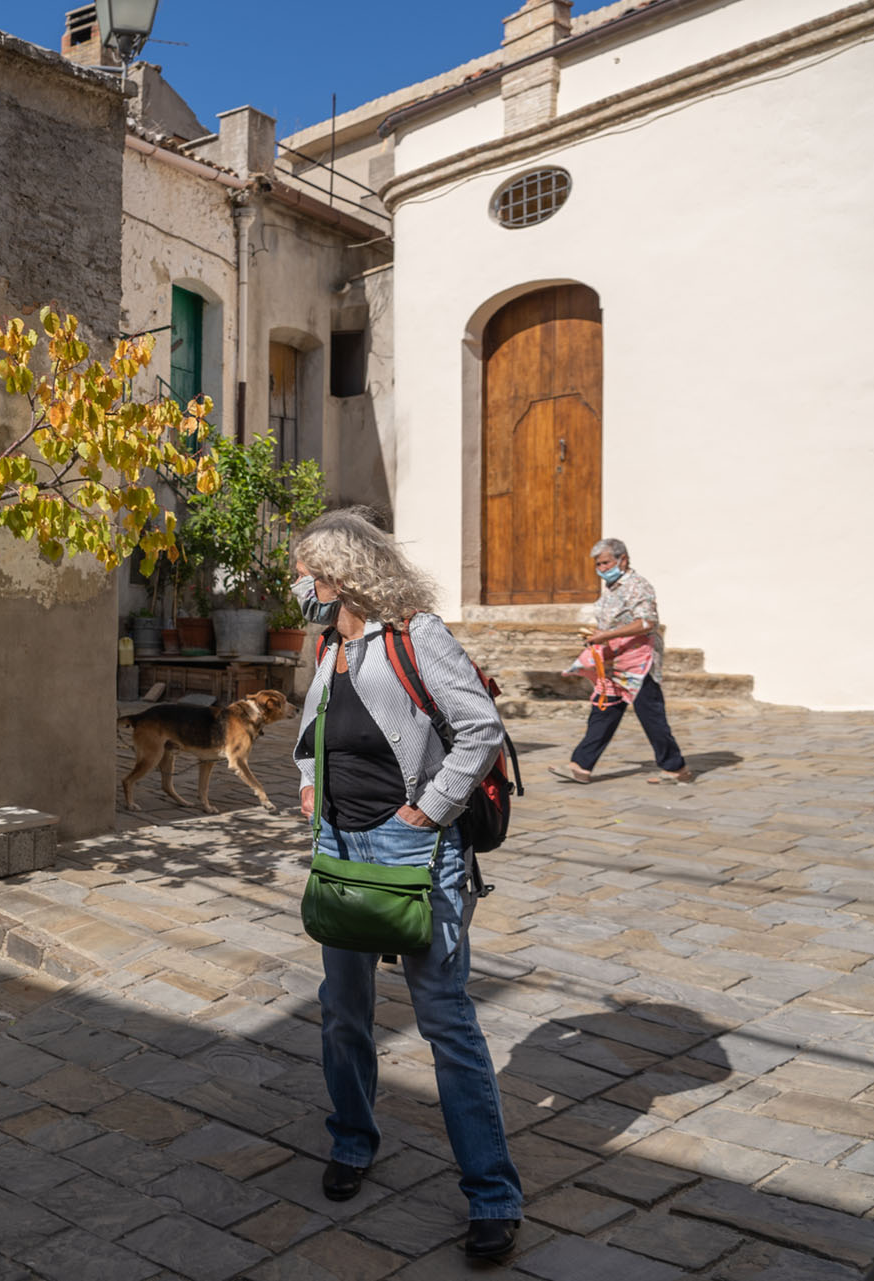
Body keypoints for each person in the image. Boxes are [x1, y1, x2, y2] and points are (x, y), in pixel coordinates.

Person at [291, 509, 523, 1261]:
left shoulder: (416, 635)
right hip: (339, 847)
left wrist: (430, 807)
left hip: (414, 850)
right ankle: (352, 1140)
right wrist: (308, 782)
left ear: (345, 574)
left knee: (445, 1021)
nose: (302, 587)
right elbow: (312, 736)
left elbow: (480, 728)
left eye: (310, 574)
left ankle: (493, 1195)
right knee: (342, 1012)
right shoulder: (330, 644)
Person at [548, 538, 693, 786]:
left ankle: (675, 767)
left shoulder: (637, 586)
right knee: (604, 710)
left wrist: (607, 635)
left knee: (651, 715)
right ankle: (580, 766)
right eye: (598, 564)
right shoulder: (612, 589)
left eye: (606, 563)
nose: (601, 568)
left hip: (638, 662)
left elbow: (646, 622)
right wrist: (600, 636)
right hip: (614, 661)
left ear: (622, 560)